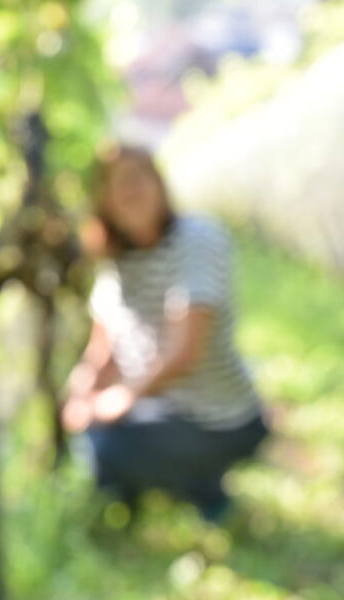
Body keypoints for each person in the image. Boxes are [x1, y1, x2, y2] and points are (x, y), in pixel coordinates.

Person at [62, 145, 268, 522]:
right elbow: (102, 350)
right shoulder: (117, 266)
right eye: (117, 183)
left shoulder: (196, 240)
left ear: (159, 184)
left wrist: (118, 400)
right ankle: (167, 487)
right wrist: (83, 394)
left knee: (104, 449)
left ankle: (204, 490)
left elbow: (183, 352)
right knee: (94, 441)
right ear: (102, 200)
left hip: (219, 416)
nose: (130, 191)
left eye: (138, 177)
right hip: (164, 409)